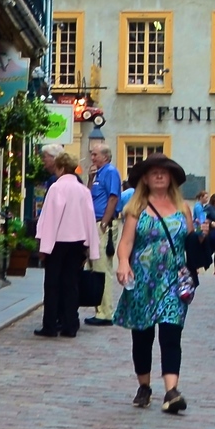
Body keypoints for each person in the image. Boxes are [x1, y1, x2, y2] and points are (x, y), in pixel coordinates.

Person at [114, 155, 204, 414]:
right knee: (142, 335)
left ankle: (171, 391)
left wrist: (201, 237)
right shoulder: (136, 208)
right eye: (153, 173)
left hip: (173, 280)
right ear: (145, 178)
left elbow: (190, 241)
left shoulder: (182, 208)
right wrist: (123, 262)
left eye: (164, 172)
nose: (159, 176)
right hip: (142, 279)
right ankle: (144, 385)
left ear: (171, 177)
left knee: (170, 332)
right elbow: (127, 242)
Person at [34, 146, 96, 338]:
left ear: (60, 167)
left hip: (57, 241)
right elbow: (89, 218)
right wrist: (89, 246)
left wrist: (44, 246)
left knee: (52, 284)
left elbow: (50, 218)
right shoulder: (82, 190)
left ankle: (50, 325)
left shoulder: (57, 187)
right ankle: (70, 324)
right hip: (77, 241)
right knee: (71, 284)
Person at [87, 139, 122, 326]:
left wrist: (105, 223)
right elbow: (88, 195)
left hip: (103, 224)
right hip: (94, 222)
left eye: (95, 154)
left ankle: (106, 312)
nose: (92, 157)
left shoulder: (110, 172)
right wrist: (90, 178)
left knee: (102, 267)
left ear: (106, 157)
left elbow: (113, 197)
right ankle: (99, 309)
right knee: (94, 267)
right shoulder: (98, 174)